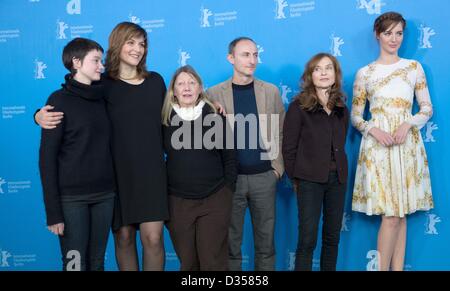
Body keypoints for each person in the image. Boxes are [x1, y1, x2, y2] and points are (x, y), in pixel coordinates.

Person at [36, 22, 169, 271]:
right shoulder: (102, 84)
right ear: (117, 45)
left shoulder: (156, 82)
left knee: (153, 238)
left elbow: (177, 115)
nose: (137, 49)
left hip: (151, 173)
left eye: (142, 44)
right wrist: (38, 115)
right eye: (131, 42)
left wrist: (211, 106)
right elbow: (71, 97)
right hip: (115, 176)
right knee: (124, 238)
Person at [351, 12, 434, 271]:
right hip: (378, 147)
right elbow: (356, 116)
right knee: (390, 215)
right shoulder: (365, 73)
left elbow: (426, 108)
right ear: (378, 34)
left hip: (406, 145)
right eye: (388, 33)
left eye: (399, 33)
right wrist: (373, 130)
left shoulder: (413, 68)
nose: (394, 38)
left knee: (401, 214)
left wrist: (408, 124)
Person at [206, 37, 285, 271]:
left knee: (266, 244)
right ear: (231, 58)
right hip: (230, 181)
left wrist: (277, 171)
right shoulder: (213, 93)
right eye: (245, 55)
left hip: (264, 177)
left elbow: (280, 131)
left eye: (255, 55)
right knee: (230, 244)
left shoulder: (270, 91)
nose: (252, 60)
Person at [39, 37, 115, 271]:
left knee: (97, 262)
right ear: (76, 62)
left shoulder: (104, 96)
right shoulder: (58, 101)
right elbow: (47, 159)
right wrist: (53, 212)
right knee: (74, 264)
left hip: (105, 195)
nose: (101, 66)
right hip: (72, 199)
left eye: (101, 61)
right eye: (96, 61)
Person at [162, 65, 237, 271]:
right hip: (178, 202)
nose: (186, 88)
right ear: (174, 91)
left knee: (212, 262)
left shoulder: (214, 114)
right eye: (181, 83)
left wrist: (227, 190)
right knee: (188, 263)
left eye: (191, 83)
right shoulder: (164, 119)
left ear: (200, 88)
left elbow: (230, 155)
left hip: (215, 198)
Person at [282, 53, 349, 271]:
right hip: (309, 181)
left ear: (335, 74)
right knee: (307, 240)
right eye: (317, 69)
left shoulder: (341, 108)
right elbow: (289, 148)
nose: (323, 73)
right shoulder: (298, 106)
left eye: (328, 68)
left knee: (332, 238)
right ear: (310, 75)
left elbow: (341, 143)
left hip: (337, 180)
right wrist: (297, 178)